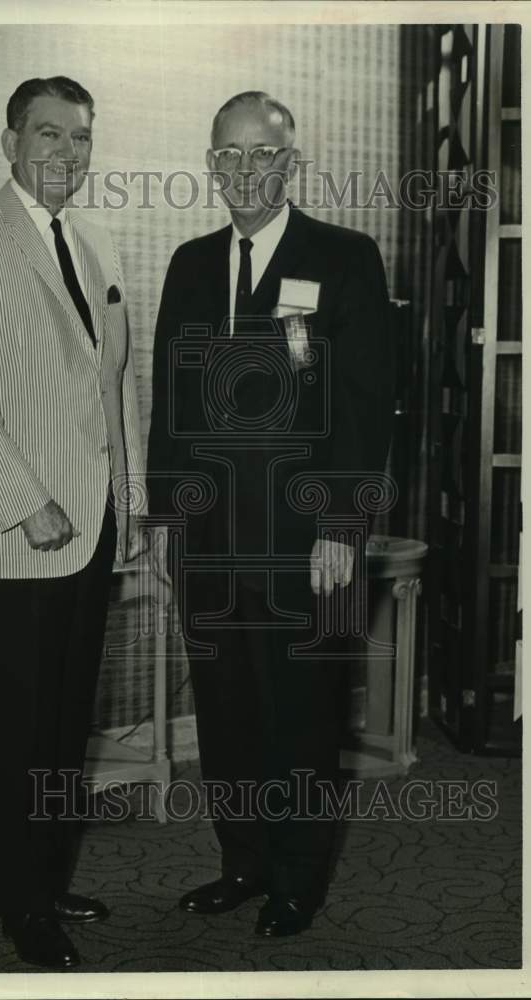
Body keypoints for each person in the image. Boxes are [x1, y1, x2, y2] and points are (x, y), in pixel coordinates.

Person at [147, 91, 394, 937]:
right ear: (209, 163)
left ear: (291, 165)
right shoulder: (189, 263)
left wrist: (341, 524)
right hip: (209, 539)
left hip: (306, 539)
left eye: (262, 155)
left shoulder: (345, 256)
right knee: (225, 709)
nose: (243, 171)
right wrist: (164, 517)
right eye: (228, 155)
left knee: (301, 711)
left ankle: (297, 879)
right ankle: (243, 861)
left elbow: (365, 403)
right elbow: (171, 404)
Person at [0, 76, 145, 969]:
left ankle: (35, 880)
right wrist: (28, 501)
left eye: (81, 138)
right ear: (9, 141)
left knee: (61, 726)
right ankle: (22, 902)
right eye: (49, 136)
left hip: (89, 531)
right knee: (15, 730)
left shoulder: (94, 245)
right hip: (15, 536)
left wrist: (126, 508)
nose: (67, 155)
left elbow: (114, 389)